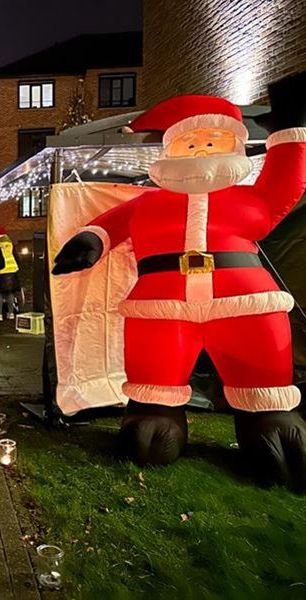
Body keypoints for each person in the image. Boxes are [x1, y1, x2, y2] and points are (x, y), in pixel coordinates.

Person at [53, 77, 306, 489]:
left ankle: (270, 422)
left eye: (214, 142)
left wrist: (289, 132)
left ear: (234, 147)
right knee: (154, 386)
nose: (202, 151)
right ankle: (153, 418)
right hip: (162, 308)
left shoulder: (249, 199)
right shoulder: (149, 204)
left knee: (262, 379)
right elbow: (109, 225)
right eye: (191, 144)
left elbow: (286, 184)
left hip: (244, 305)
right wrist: (89, 241)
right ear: (172, 150)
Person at [0, 227, 21, 321]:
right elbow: (17, 257)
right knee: (10, 293)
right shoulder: (10, 244)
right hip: (12, 271)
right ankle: (11, 313)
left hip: (1, 272)